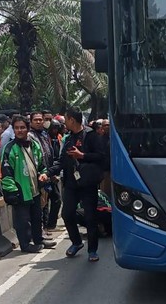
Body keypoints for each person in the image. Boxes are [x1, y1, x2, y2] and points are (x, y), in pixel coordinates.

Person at [45, 107, 106, 262]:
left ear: (72, 119)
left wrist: (82, 155)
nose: (65, 123)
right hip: (71, 183)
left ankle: (92, 250)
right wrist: (48, 173)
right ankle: (76, 242)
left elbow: (101, 156)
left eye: (66, 119)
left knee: (90, 217)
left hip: (87, 183)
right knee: (67, 214)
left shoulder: (90, 135)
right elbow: (62, 161)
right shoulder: (68, 138)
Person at [1, 116, 56, 253]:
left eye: (22, 127)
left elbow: (42, 165)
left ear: (27, 129)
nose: (19, 130)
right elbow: (6, 173)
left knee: (37, 217)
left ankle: (38, 239)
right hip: (20, 191)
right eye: (17, 128)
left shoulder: (34, 145)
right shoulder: (9, 149)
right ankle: (25, 245)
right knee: (23, 221)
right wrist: (12, 191)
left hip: (35, 189)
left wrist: (44, 174)